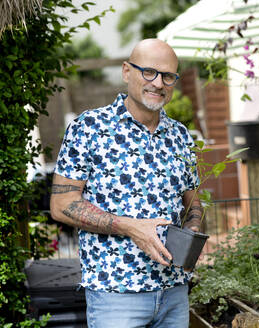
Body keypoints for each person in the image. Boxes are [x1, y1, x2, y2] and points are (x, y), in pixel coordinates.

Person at [50, 39, 204, 328]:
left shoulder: (181, 136)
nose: (158, 83)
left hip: (174, 292)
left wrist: (194, 229)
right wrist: (131, 227)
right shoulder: (89, 128)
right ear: (126, 71)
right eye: (149, 72)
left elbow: (193, 202)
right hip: (116, 295)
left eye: (168, 76)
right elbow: (61, 205)